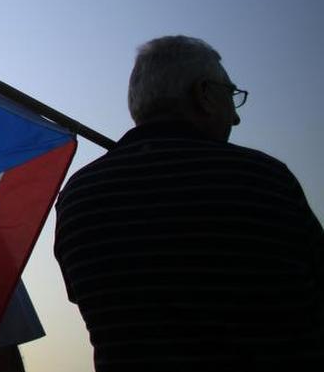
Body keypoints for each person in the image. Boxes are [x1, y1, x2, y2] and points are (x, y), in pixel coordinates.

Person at [54, 35, 324, 370]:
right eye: (231, 94)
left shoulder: (77, 197)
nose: (236, 118)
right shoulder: (264, 178)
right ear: (204, 94)